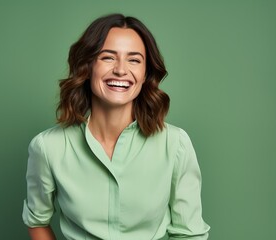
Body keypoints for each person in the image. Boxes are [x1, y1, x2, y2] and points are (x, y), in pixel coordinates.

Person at [22, 13, 210, 240]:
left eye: (134, 60)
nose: (121, 70)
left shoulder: (175, 143)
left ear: (145, 73)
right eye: (108, 57)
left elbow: (189, 233)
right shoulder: (48, 147)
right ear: (87, 66)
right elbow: (37, 221)